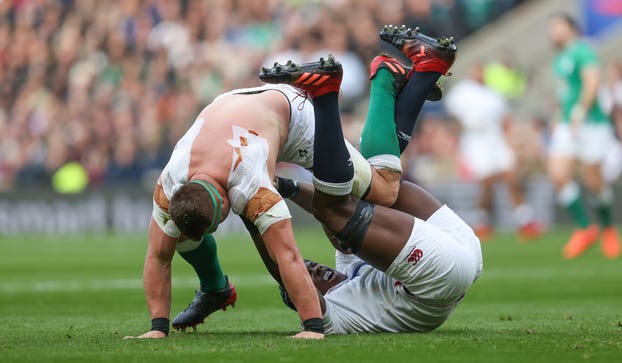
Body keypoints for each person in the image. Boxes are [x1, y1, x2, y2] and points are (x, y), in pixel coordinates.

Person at [127, 25, 448, 339]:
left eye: (220, 222)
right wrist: (158, 328)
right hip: (240, 103)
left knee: (383, 189)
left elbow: (288, 256)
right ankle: (215, 288)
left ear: (224, 204)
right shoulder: (170, 183)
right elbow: (158, 255)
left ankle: (384, 78)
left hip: (295, 116)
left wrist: (313, 326)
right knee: (178, 234)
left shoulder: (250, 182)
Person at [258, 26, 482, 333]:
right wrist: (253, 210)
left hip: (456, 248)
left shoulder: (347, 268)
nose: (310, 266)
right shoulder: (334, 315)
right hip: (438, 281)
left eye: (307, 265)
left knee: (370, 189)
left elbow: (340, 203)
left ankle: (420, 71)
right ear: (304, 294)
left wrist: (287, 186)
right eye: (304, 274)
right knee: (345, 206)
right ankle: (329, 94)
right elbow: (322, 220)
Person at [547, 14, 622, 259]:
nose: (553, 32)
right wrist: (560, 116)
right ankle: (584, 228)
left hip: (591, 123)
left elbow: (592, 82)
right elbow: (565, 92)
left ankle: (608, 228)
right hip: (569, 124)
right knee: (558, 174)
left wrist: (580, 110)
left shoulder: (583, 51)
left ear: (571, 29)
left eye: (557, 26)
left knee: (593, 180)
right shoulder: (560, 58)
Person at [444, 62, 543, 240]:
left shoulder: (494, 94)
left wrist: (513, 141)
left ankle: (525, 220)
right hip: (474, 141)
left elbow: (505, 120)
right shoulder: (462, 92)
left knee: (511, 178)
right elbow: (454, 119)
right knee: (487, 182)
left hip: (495, 139)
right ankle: (482, 221)